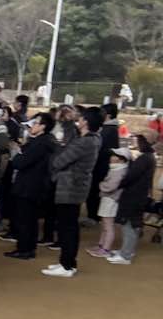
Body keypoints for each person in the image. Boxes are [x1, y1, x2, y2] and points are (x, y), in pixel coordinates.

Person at [43, 107, 102, 278]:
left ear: (86, 122)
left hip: (70, 187)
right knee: (69, 226)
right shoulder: (91, 139)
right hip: (76, 186)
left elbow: (59, 161)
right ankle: (66, 262)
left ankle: (67, 265)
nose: (78, 120)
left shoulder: (84, 142)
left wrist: (59, 146)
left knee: (67, 227)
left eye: (81, 118)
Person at [5, 113, 57, 260]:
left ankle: (24, 249)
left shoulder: (40, 144)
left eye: (35, 123)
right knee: (29, 219)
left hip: (29, 187)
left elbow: (19, 163)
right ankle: (27, 248)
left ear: (43, 126)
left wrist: (17, 153)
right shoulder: (43, 142)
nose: (31, 126)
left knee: (25, 219)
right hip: (34, 186)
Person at [109, 133, 157, 265]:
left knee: (129, 225)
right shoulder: (149, 157)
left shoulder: (144, 159)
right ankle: (126, 250)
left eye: (136, 140)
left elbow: (131, 176)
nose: (133, 142)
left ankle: (126, 255)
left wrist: (120, 183)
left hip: (134, 196)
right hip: (138, 195)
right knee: (132, 224)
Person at [87, 147, 129, 258]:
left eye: (114, 155)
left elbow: (110, 186)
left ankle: (105, 249)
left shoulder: (119, 171)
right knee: (105, 225)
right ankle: (101, 246)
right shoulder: (117, 169)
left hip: (111, 200)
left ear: (122, 159)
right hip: (108, 199)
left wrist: (101, 185)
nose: (111, 157)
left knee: (108, 226)